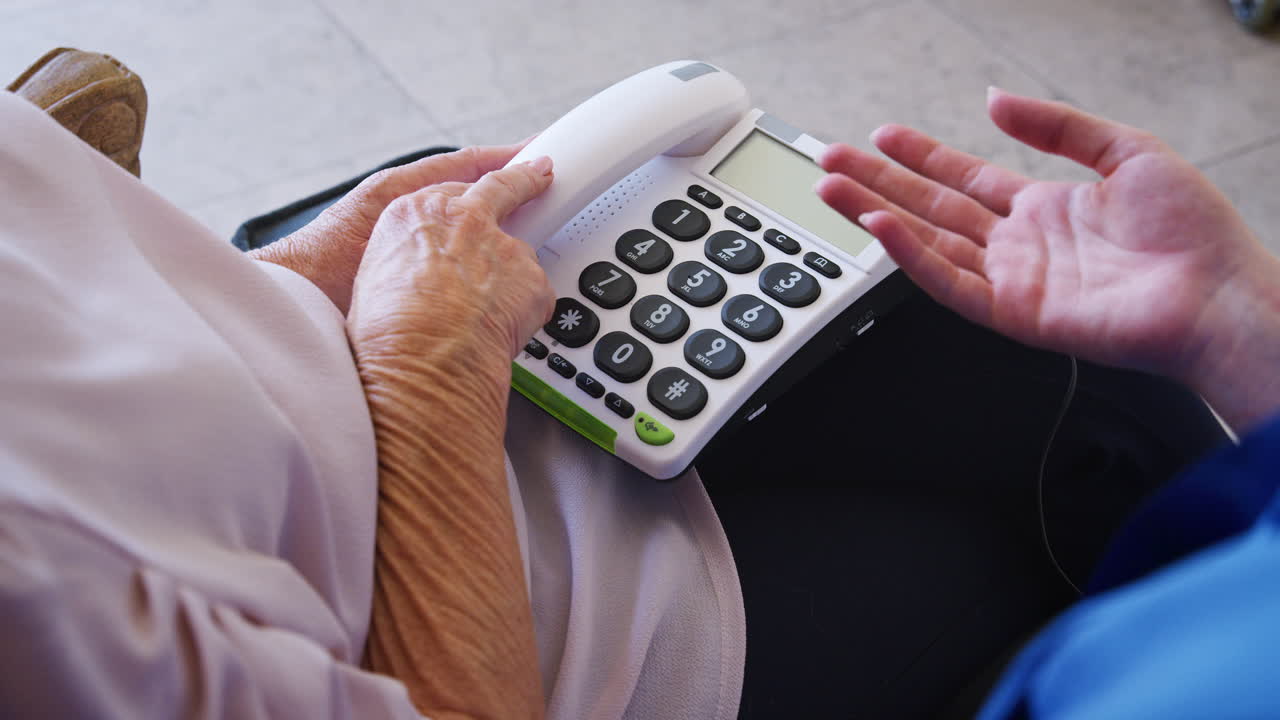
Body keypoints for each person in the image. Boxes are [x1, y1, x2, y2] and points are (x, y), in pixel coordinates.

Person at [1, 49, 1276, 720]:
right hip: (554, 622)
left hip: (323, 349)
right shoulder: (39, 595)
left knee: (1017, 355)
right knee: (1075, 435)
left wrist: (281, 278)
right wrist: (425, 366)